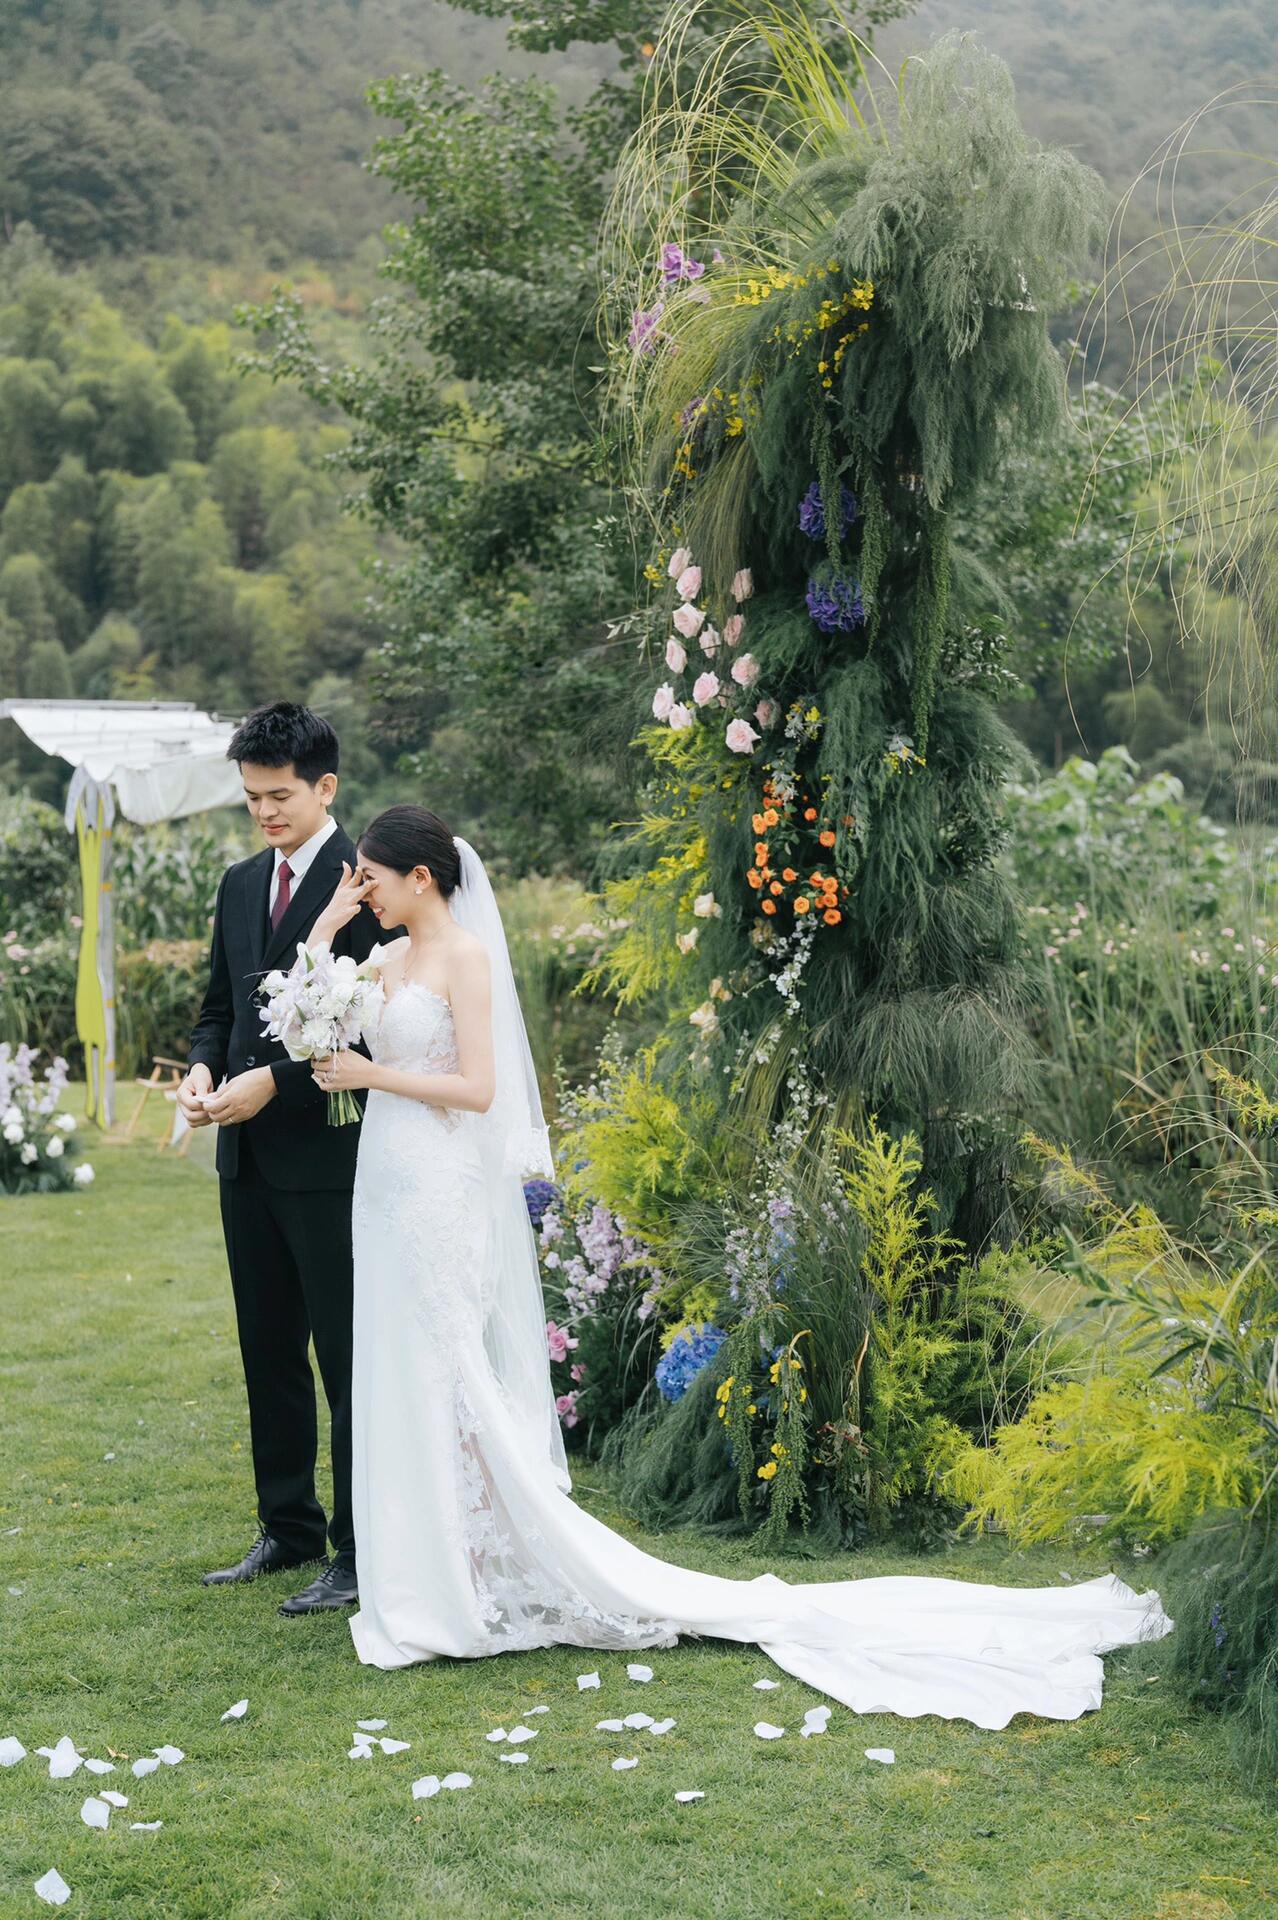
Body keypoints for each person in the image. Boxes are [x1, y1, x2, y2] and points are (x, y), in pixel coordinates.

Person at [305, 805, 1173, 1725]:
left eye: (371, 878)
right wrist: (324, 931)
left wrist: (373, 1076)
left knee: (445, 1366)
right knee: (396, 1367)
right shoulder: (383, 960)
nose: (364, 892)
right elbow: (310, 1024)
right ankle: (426, 1573)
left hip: (438, 1189)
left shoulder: (464, 960)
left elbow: (479, 1089)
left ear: (422, 878)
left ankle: (459, 1582)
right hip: (385, 1184)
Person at [179, 702, 382, 1616]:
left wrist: (275, 1083)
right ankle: (287, 1526)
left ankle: (359, 1548)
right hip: (246, 1163)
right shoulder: (236, 883)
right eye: (252, 797)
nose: (263, 812)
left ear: (324, 786)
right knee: (268, 1352)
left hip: (333, 1162)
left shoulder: (370, 884)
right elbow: (219, 1007)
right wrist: (202, 1068)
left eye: (279, 796)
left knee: (346, 1360)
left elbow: (379, 1031)